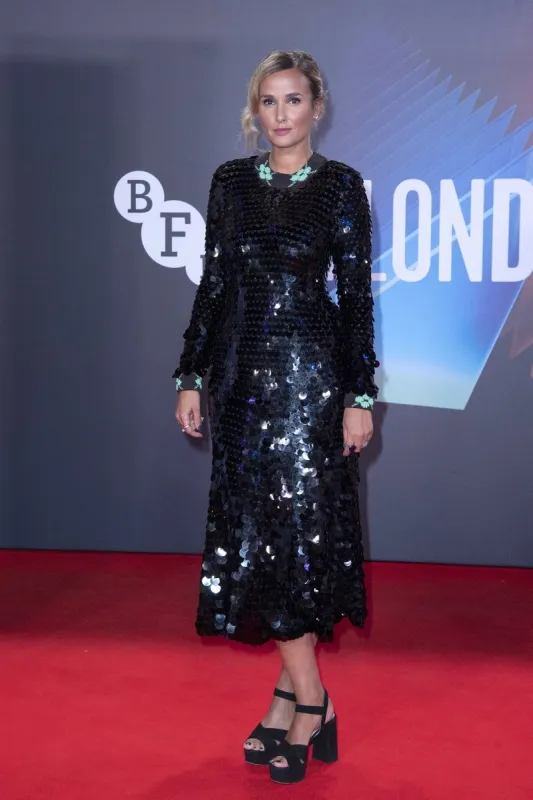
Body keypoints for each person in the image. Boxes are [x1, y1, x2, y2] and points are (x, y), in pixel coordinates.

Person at [173, 50, 378, 785]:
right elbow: (214, 287)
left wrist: (358, 397)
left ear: (315, 107)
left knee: (296, 537)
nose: (281, 114)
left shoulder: (340, 188)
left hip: (312, 384)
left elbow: (355, 303)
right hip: (241, 384)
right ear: (254, 111)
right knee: (255, 536)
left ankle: (307, 700)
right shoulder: (230, 183)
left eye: (293, 100)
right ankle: (300, 695)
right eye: (268, 101)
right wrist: (191, 374)